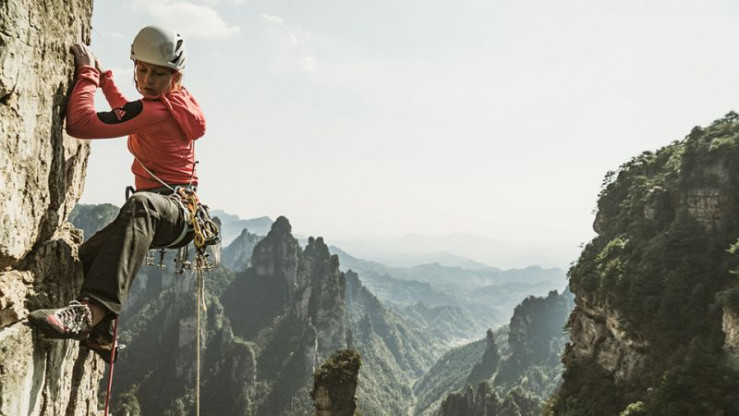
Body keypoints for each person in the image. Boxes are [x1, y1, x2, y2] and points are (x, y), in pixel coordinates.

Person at [29, 26, 207, 362]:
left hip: (172, 211)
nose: (148, 79)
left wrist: (87, 75)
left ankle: (89, 313)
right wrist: (106, 80)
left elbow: (80, 124)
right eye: (142, 69)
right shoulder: (174, 103)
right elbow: (129, 113)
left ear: (175, 76)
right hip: (173, 214)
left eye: (159, 73)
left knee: (140, 204)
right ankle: (101, 335)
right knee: (86, 258)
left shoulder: (156, 109)